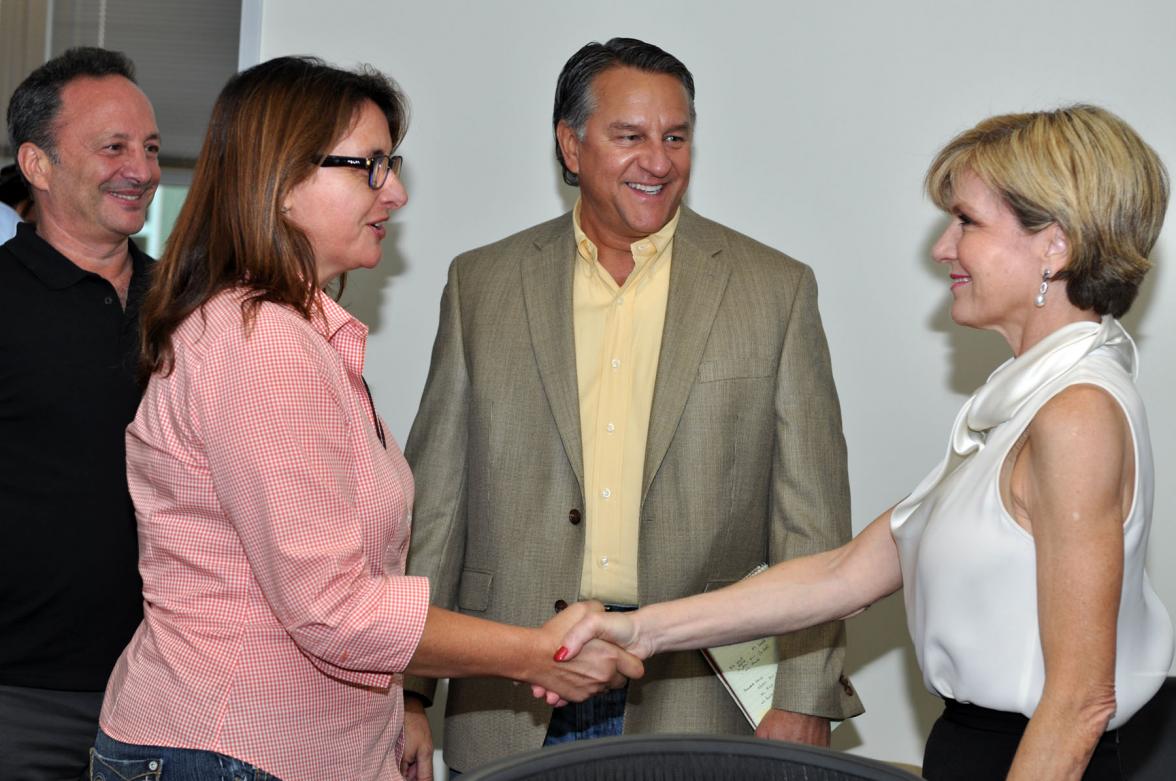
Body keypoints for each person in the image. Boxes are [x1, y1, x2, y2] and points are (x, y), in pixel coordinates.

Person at [554, 104, 1174, 781]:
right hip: (981, 749)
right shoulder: (1023, 403)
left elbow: (1080, 701)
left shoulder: (1075, 413)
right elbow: (843, 574)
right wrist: (640, 628)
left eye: (966, 220)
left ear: (1054, 243)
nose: (943, 247)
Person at [90, 56, 639, 781]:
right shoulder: (261, 346)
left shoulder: (295, 334)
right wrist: (532, 652)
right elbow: (336, 611)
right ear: (282, 182)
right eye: (369, 167)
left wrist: (389, 726)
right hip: (229, 746)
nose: (397, 193)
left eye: (392, 165)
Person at [403, 37, 862, 777]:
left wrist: (806, 698)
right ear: (571, 144)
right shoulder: (481, 285)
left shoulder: (774, 290)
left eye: (676, 137)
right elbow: (437, 510)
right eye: (631, 136)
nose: (659, 159)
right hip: (512, 695)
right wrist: (411, 693)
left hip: (698, 702)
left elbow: (812, 521)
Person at [0, 47, 159, 781]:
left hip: (168, 691)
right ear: (36, 164)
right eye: (114, 147)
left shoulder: (196, 305)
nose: (143, 169)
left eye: (151, 148)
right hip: (19, 699)